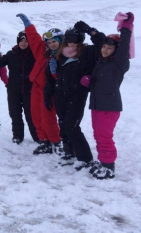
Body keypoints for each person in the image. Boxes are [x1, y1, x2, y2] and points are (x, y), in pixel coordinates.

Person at [44, 21, 106, 170]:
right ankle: (68, 152)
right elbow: (52, 77)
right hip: (60, 92)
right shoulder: (60, 53)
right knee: (63, 124)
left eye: (75, 40)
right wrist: (48, 95)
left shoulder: (87, 52)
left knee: (72, 126)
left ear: (80, 40)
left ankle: (85, 158)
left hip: (77, 93)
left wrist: (91, 30)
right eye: (69, 40)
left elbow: (102, 43)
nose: (72, 44)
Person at [86, 13, 133, 179]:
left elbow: (124, 45)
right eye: (104, 46)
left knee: (105, 136)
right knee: (98, 135)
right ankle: (102, 161)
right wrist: (88, 82)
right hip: (97, 105)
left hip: (109, 106)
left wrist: (126, 28)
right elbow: (97, 84)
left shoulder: (119, 63)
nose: (105, 49)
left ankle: (109, 167)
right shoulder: (100, 62)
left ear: (116, 51)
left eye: (110, 48)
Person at [16, 14, 64, 156]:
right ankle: (44, 142)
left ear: (61, 41)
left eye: (54, 41)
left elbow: (62, 78)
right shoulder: (43, 51)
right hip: (36, 87)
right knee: (36, 116)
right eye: (49, 42)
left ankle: (56, 142)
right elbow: (34, 39)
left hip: (50, 91)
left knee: (48, 118)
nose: (51, 44)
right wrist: (28, 25)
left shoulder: (63, 56)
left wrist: (55, 72)